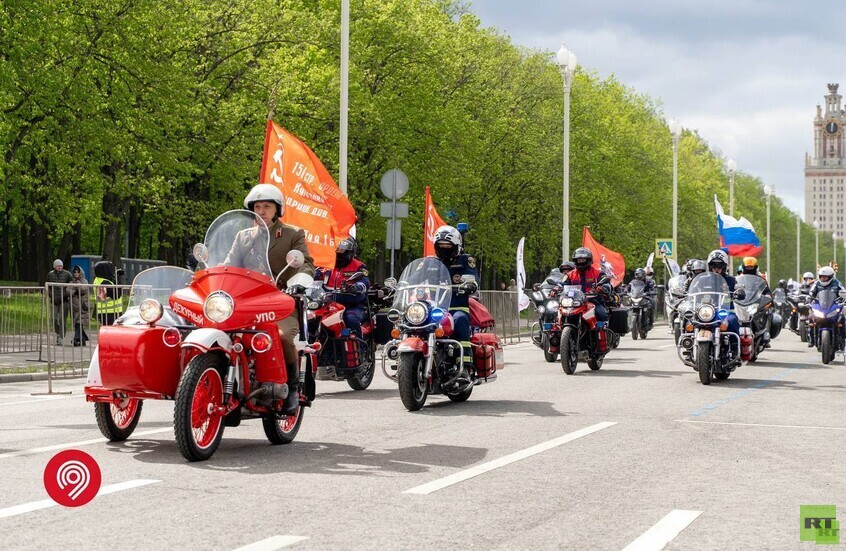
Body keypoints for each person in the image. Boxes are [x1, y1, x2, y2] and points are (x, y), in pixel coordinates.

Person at [243, 183, 315, 414]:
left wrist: (300, 280)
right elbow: (228, 263)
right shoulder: (243, 237)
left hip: (280, 301)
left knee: (281, 337)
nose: (261, 211)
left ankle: (292, 386)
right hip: (245, 302)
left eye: (267, 206)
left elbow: (305, 262)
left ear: (277, 209)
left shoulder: (292, 234)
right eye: (257, 207)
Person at [432, 225, 478, 374]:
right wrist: (401, 286)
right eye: (441, 246)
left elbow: (473, 278)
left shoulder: (465, 260)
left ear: (456, 246)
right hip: (434, 309)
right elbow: (415, 277)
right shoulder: (431, 262)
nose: (444, 249)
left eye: (448, 246)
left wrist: (470, 285)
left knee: (460, 320)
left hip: (456, 308)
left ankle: (464, 365)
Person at [314, 237, 370, 337]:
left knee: (351, 319)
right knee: (313, 318)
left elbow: (365, 281)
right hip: (328, 305)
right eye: (337, 251)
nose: (340, 255)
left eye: (343, 252)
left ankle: (359, 345)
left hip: (352, 305)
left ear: (351, 252)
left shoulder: (359, 266)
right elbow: (313, 279)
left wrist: (356, 287)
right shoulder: (325, 266)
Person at [562, 247, 612, 328]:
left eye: (583, 260)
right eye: (579, 260)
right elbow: (562, 285)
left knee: (601, 314)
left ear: (588, 260)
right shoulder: (569, 275)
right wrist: (555, 289)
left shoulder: (598, 273)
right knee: (557, 313)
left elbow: (607, 284)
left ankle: (603, 335)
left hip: (594, 302)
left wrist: (602, 288)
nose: (580, 262)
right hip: (574, 303)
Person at [807, 266, 842, 348]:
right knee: (811, 318)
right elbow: (811, 293)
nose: (823, 278)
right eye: (821, 276)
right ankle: (811, 339)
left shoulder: (837, 283)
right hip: (820, 306)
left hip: (832, 305)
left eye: (825, 277)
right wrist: (808, 298)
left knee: (842, 318)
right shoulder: (816, 283)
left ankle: (843, 338)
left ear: (830, 277)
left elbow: (843, 291)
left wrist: (844, 297)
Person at [47, 259, 73, 345]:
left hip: (64, 300)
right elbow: (48, 287)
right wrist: (51, 295)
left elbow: (71, 284)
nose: (60, 267)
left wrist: (66, 294)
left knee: (62, 319)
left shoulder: (67, 274)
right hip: (54, 300)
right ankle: (58, 332)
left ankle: (61, 337)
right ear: (55, 266)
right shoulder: (50, 274)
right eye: (58, 266)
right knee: (53, 319)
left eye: (61, 266)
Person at [93, 261, 122, 327]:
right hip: (110, 312)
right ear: (105, 270)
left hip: (104, 311)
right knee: (112, 332)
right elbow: (117, 295)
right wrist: (119, 281)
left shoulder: (98, 280)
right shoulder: (105, 282)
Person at [69, 265, 90, 346]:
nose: (76, 273)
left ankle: (76, 339)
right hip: (74, 307)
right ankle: (83, 339)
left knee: (79, 323)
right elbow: (68, 291)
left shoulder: (84, 281)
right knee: (77, 324)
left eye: (78, 272)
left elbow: (84, 289)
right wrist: (74, 287)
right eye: (75, 272)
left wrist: (77, 285)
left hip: (82, 306)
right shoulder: (71, 281)